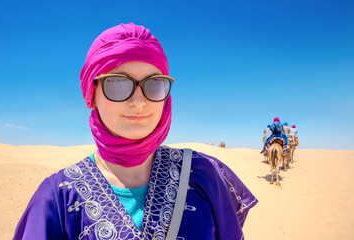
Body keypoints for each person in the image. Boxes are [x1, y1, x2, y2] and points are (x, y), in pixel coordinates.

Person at [13, 23, 257, 240]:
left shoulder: (204, 174)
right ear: (92, 94)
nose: (139, 102)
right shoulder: (56, 199)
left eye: (154, 83)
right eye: (118, 83)